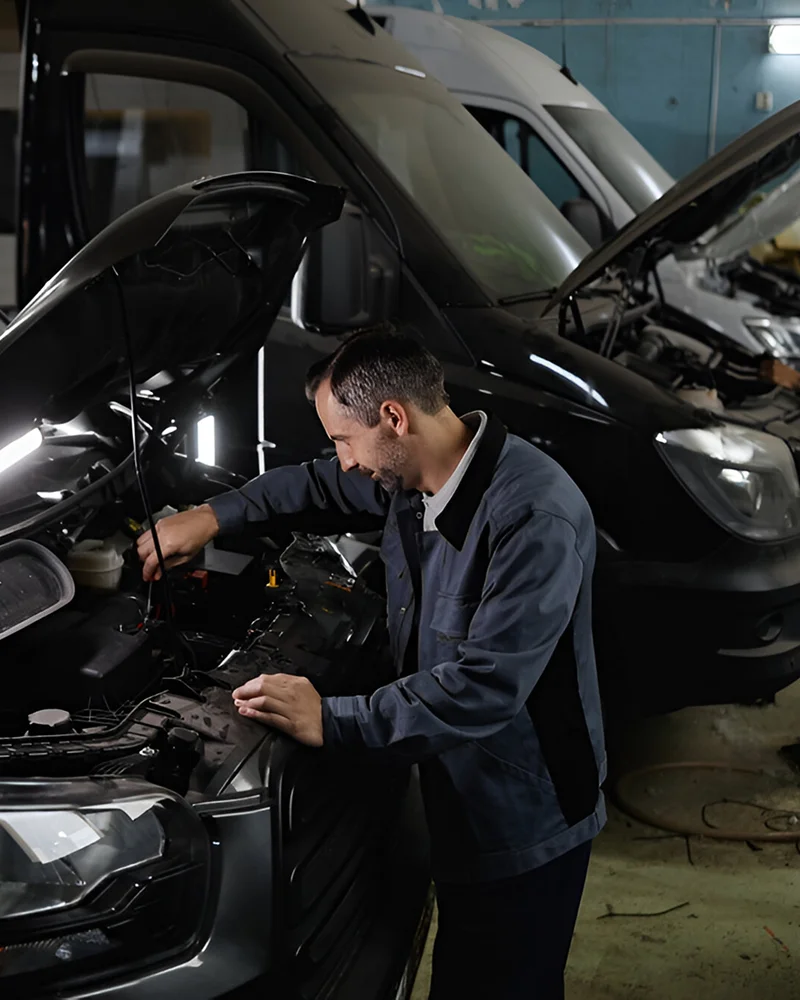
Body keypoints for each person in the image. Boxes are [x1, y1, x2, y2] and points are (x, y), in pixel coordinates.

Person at [137, 328, 606, 999]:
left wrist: (333, 719)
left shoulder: (532, 517)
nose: (345, 461)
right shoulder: (415, 477)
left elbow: (483, 690)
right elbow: (317, 486)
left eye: (342, 439)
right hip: (456, 786)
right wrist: (211, 516)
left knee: (500, 982)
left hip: (523, 811)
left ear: (393, 417)